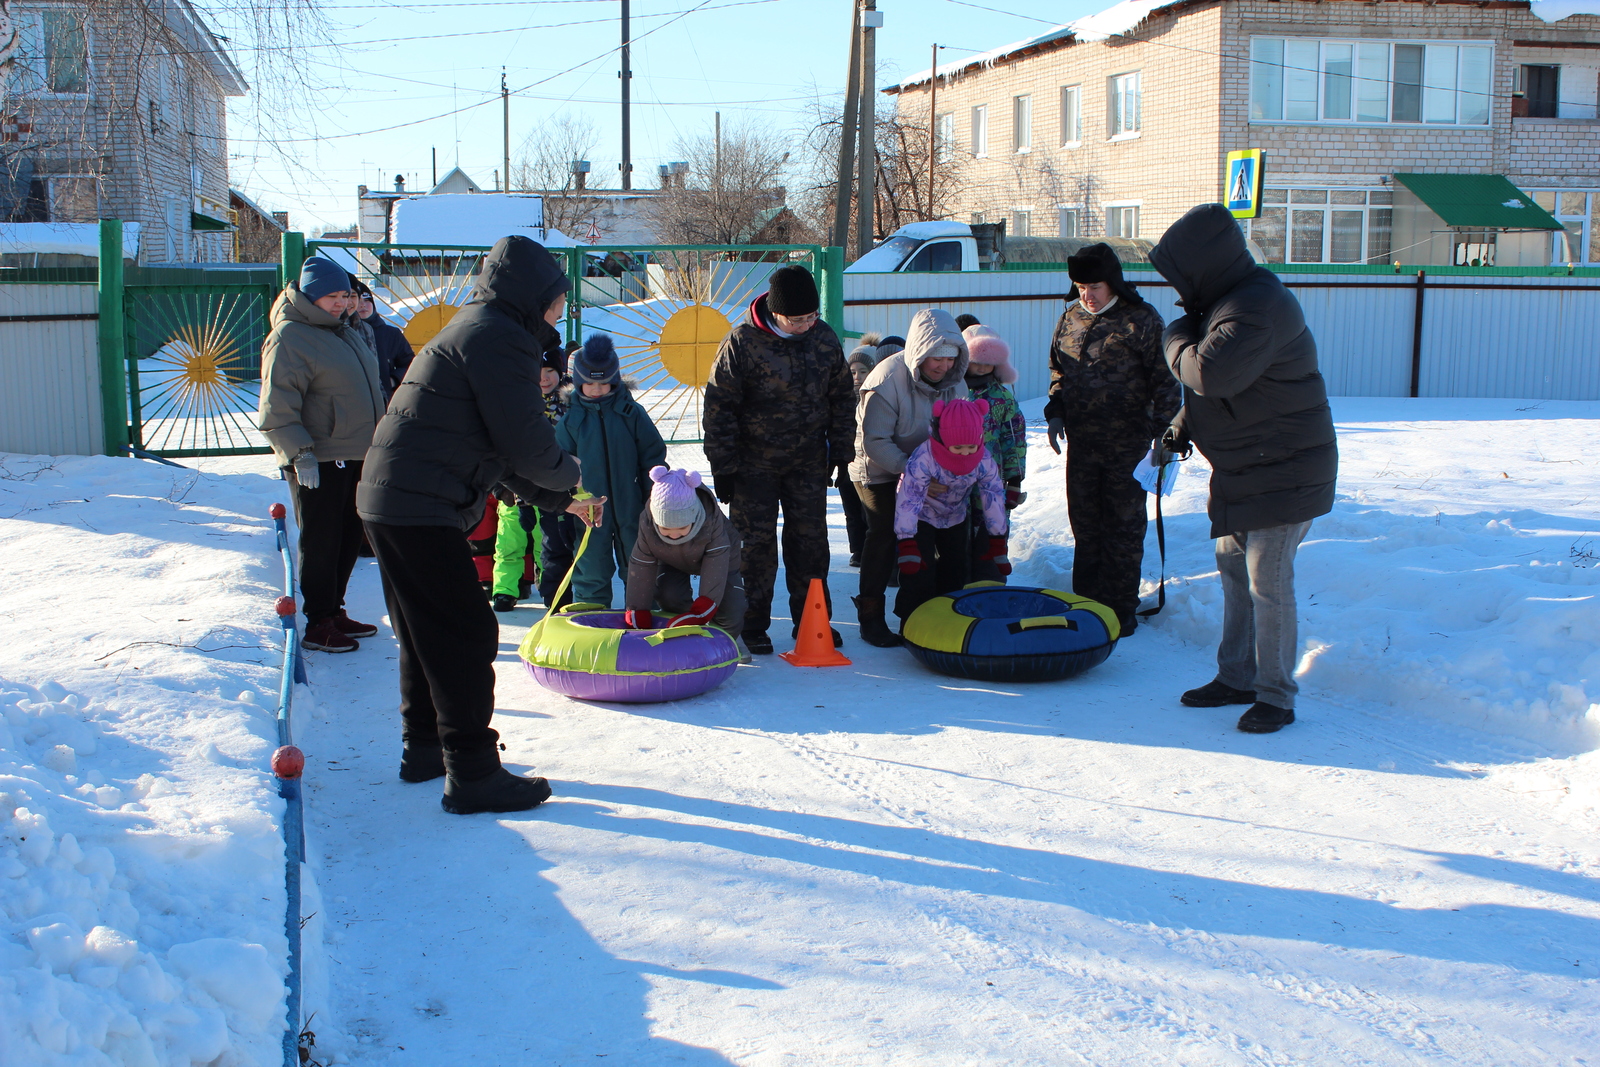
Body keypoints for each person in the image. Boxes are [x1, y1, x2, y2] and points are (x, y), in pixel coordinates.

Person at [358, 235, 603, 815]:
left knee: (425, 634)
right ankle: (471, 770)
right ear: (531, 295)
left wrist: (559, 500)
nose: (560, 310)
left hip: (395, 498)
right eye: (555, 299)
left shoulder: (482, 327)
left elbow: (495, 450)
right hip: (418, 503)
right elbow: (525, 443)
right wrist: (572, 474)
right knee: (464, 635)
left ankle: (425, 749)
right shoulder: (501, 339)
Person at [1150, 203, 1338, 735]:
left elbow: (1209, 373)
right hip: (1246, 467)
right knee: (1233, 568)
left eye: (1180, 274)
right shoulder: (1224, 303)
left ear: (1202, 265)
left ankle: (1276, 696)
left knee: (1267, 583)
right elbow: (1224, 390)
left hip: (1286, 469)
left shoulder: (1255, 309)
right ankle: (1237, 676)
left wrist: (1173, 338)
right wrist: (1180, 427)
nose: (1176, 287)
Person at [701, 264, 855, 656]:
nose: (806, 324)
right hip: (754, 466)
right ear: (774, 311)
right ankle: (751, 623)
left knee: (811, 544)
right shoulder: (743, 343)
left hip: (807, 462)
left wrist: (841, 447)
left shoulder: (823, 338)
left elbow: (841, 396)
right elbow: (720, 407)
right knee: (755, 547)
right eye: (796, 318)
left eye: (811, 316)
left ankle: (812, 622)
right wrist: (724, 466)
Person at [1043, 241, 1177, 638]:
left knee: (1122, 527)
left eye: (1095, 286)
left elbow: (1166, 384)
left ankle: (1119, 610)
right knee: (1085, 525)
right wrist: (1056, 413)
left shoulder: (1142, 320)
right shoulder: (1070, 318)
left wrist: (1165, 437)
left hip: (1128, 445)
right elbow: (1058, 371)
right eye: (1081, 286)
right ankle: (1087, 604)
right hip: (1083, 444)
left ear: (1113, 282)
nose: (1087, 294)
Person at [258, 256, 385, 654]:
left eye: (345, 295)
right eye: (331, 296)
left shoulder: (344, 332)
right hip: (320, 458)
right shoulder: (291, 336)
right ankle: (317, 622)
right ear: (310, 296)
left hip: (358, 452)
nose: (341, 303)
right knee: (322, 540)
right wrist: (300, 454)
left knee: (349, 538)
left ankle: (334, 609)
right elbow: (277, 407)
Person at [850, 309, 969, 647]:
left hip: (931, 467)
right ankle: (870, 614)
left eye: (951, 359)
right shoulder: (886, 379)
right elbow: (875, 441)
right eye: (937, 359)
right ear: (920, 350)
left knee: (933, 532)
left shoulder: (955, 381)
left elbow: (963, 428)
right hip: (881, 468)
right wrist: (915, 473)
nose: (943, 367)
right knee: (886, 529)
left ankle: (927, 612)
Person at [556, 334, 667, 608]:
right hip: (589, 508)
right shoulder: (572, 421)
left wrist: (653, 493)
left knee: (639, 559)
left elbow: (652, 454)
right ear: (578, 382)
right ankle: (591, 612)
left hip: (633, 505)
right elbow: (558, 463)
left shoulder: (631, 412)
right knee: (591, 562)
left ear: (615, 380)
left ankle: (643, 613)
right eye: (590, 383)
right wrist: (570, 496)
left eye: (603, 383)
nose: (596, 389)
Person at [892, 398, 1010, 622]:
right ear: (943, 440)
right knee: (919, 570)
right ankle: (912, 618)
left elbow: (992, 496)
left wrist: (997, 539)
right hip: (921, 517)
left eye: (971, 447)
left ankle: (949, 617)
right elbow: (909, 498)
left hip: (955, 515)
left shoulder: (984, 459)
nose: (965, 453)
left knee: (956, 567)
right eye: (958, 448)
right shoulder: (924, 457)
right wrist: (906, 541)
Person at [624, 467, 749, 659]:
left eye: (681, 528)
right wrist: (637, 609)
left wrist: (702, 611)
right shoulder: (648, 524)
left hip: (721, 559)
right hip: (671, 559)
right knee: (668, 594)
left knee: (732, 607)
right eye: (665, 528)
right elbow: (641, 565)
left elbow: (715, 569)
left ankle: (726, 639)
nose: (674, 534)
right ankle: (683, 636)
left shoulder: (711, 523)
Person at [489, 343, 571, 612]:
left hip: (552, 487)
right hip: (515, 485)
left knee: (546, 538)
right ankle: (504, 588)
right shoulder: (517, 401)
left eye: (550, 371)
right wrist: (501, 486)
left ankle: (543, 579)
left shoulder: (568, 404)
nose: (544, 378)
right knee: (509, 537)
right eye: (538, 371)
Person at [961, 324, 1028, 581]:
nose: (981, 368)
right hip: (953, 481)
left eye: (988, 363)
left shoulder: (1002, 398)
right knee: (955, 537)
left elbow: (1015, 441)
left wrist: (1014, 480)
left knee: (991, 536)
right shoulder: (953, 391)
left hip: (992, 484)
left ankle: (990, 585)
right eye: (976, 361)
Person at [839, 333, 881, 567]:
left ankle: (870, 550)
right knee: (851, 510)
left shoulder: (877, 396)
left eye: (863, 372)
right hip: (848, 461)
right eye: (853, 372)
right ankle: (857, 550)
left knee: (870, 511)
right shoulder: (843, 398)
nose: (857, 377)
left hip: (871, 464)